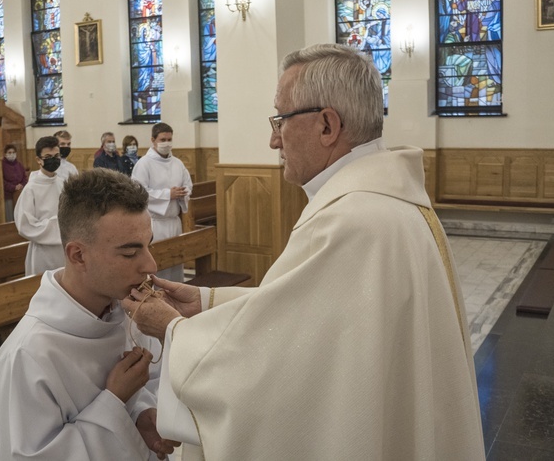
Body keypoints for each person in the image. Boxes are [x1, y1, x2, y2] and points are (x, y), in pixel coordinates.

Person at [124, 44, 485, 460]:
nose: (273, 138)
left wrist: (174, 331)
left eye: (280, 119)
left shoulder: (351, 221)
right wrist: (205, 304)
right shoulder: (383, 202)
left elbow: (275, 374)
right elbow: (314, 314)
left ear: (327, 125)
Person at [0, 169, 178, 461]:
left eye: (149, 245)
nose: (151, 264)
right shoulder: (28, 355)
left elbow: (143, 391)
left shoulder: (123, 314)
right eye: (129, 253)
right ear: (78, 256)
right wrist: (113, 400)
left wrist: (139, 414)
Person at [131, 123, 192, 282]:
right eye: (163, 139)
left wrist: (182, 192)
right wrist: (167, 194)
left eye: (170, 139)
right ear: (153, 140)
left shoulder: (177, 163)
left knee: (176, 266)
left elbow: (188, 184)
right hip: (154, 224)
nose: (167, 143)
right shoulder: (144, 163)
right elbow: (138, 192)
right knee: (157, 266)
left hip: (174, 221)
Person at [13, 136, 65, 276]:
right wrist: (58, 225)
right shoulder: (31, 189)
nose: (53, 160)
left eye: (56, 156)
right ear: (38, 160)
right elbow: (25, 225)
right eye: (48, 156)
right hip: (43, 252)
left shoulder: (62, 183)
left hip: (64, 250)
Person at [1, 144, 27, 221]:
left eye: (13, 152)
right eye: (9, 152)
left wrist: (21, 185)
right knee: (10, 217)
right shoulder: (2, 165)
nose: (11, 154)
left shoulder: (19, 164)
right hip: (8, 195)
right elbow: (2, 181)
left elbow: (25, 178)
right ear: (5, 154)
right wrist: (13, 187)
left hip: (20, 193)